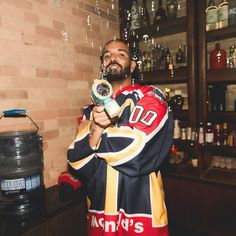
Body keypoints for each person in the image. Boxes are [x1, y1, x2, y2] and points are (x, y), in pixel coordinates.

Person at [67, 39, 173, 236]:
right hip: (99, 214)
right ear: (102, 65)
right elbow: (77, 160)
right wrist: (99, 127)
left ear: (132, 65)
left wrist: (95, 133)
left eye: (121, 54)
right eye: (107, 55)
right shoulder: (90, 109)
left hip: (143, 213)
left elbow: (138, 149)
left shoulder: (150, 96)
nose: (112, 58)